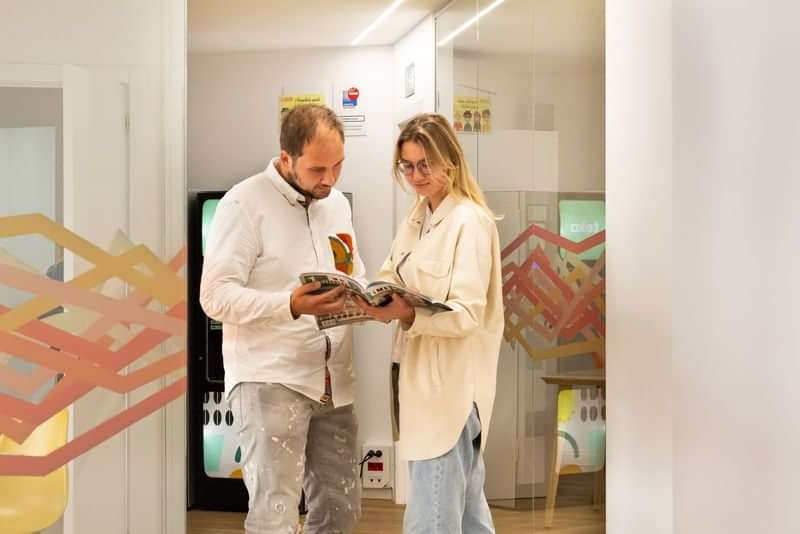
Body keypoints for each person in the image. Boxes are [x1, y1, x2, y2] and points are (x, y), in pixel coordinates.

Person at [200, 104, 364, 534]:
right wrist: (290, 304)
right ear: (286, 157)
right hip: (269, 379)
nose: (328, 179)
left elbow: (352, 270)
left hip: (334, 382)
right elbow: (214, 297)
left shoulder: (336, 205)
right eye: (316, 169)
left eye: (338, 166)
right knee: (275, 515)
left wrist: (369, 300)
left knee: (340, 511)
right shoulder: (243, 203)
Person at [356, 113, 504, 533]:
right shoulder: (417, 218)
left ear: (449, 162)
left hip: (450, 393)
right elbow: (391, 273)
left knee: (431, 519)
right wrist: (375, 297)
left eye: (425, 164)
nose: (416, 175)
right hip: (421, 385)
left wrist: (408, 313)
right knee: (469, 515)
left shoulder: (469, 222)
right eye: (408, 166)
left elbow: (468, 315)